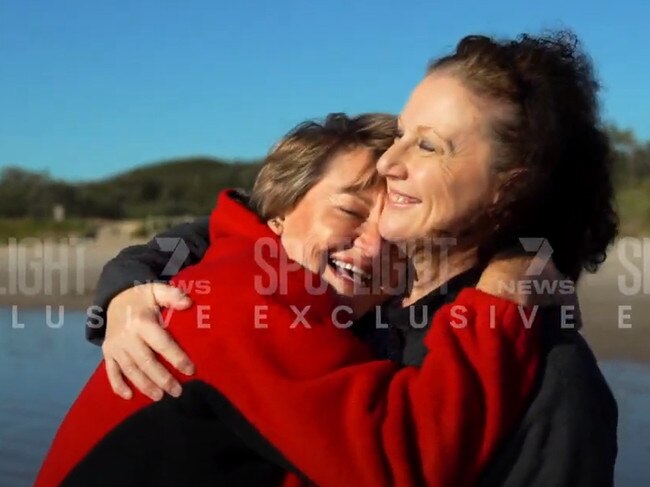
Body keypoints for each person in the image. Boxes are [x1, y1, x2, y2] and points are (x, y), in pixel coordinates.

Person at [84, 31, 619, 487]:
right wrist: (128, 285)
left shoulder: (551, 373)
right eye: (403, 135)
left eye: (428, 146)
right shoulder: (297, 301)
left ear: (508, 186)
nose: (392, 160)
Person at [36, 113, 544, 487]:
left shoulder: (299, 294)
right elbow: (401, 464)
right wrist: (505, 289)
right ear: (278, 215)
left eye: (395, 231)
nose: (372, 245)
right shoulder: (254, 292)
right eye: (350, 211)